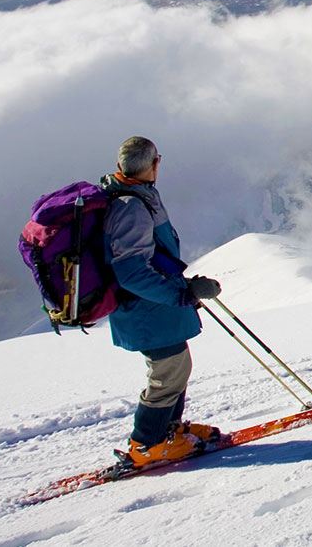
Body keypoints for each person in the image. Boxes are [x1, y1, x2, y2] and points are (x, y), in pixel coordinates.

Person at [100, 136, 222, 465]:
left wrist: (182, 289)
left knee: (176, 368)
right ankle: (146, 444)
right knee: (168, 373)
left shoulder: (135, 197)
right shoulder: (131, 208)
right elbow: (131, 272)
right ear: (154, 164)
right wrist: (182, 293)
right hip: (146, 309)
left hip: (155, 307)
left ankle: (169, 431)